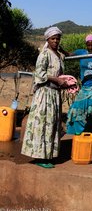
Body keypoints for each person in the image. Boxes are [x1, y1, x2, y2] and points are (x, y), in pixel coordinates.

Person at [21, 26, 69, 168]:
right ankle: (39, 157)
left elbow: (60, 70)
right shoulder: (45, 54)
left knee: (51, 125)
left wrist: (65, 83)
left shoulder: (58, 55)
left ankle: (47, 155)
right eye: (53, 38)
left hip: (54, 94)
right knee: (42, 124)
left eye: (58, 38)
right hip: (45, 94)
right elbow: (39, 74)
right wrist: (56, 80)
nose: (56, 41)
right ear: (47, 39)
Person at [65, 34, 92, 148]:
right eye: (88, 44)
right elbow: (68, 55)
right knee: (77, 108)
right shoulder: (81, 53)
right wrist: (59, 48)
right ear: (86, 44)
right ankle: (79, 132)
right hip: (85, 87)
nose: (90, 46)